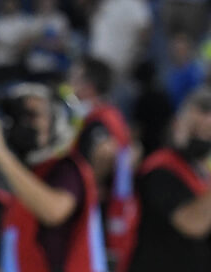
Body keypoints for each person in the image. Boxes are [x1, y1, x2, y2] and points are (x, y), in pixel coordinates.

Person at [0, 83, 107, 272]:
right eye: (19, 114)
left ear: (56, 121)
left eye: (33, 115)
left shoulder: (67, 168)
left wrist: (1, 155)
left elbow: (53, 211)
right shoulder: (24, 173)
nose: (25, 123)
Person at [123, 85, 211, 271]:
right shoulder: (160, 170)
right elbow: (192, 223)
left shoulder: (200, 173)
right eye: (194, 128)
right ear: (176, 123)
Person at [69, 56, 135, 267]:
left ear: (88, 86)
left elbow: (107, 152)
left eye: (75, 78)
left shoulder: (100, 119)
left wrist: (90, 186)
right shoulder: (112, 114)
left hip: (100, 212)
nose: (70, 83)